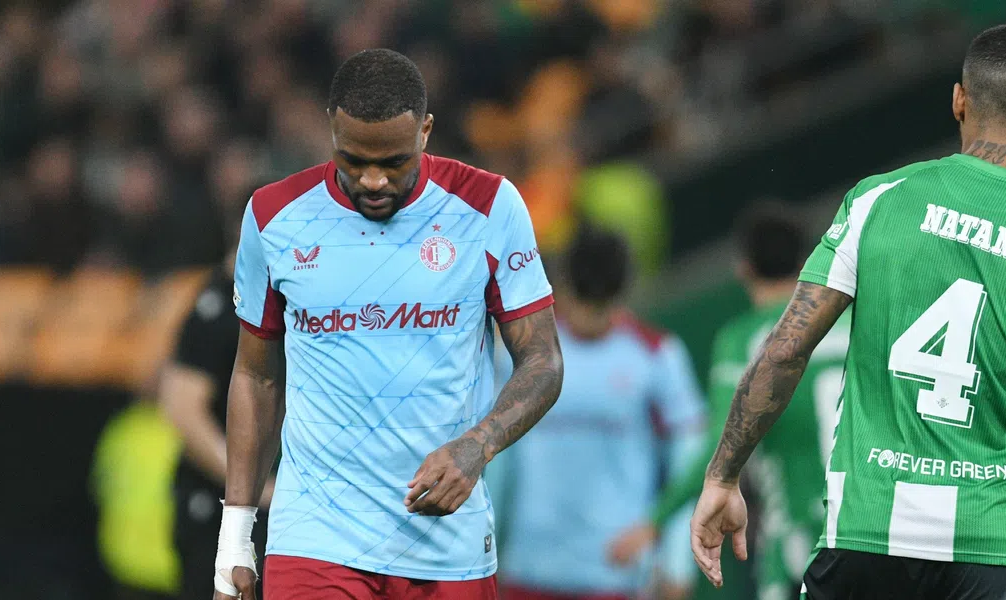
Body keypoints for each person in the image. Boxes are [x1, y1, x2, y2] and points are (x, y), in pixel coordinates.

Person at [689, 23, 1006, 600]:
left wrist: (723, 475)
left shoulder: (877, 201)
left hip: (863, 540)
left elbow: (785, 349)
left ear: (958, 100)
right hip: (990, 552)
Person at [212, 49, 564, 600]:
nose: (373, 180)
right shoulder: (273, 217)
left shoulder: (489, 206)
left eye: (394, 163)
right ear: (331, 129)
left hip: (447, 547)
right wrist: (235, 538)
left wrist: (478, 445)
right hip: (315, 539)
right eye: (353, 160)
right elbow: (256, 376)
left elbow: (543, 360)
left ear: (425, 131)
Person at [609, 205, 850, 600]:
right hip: (871, 527)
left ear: (744, 269)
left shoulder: (743, 341)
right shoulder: (850, 320)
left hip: (797, 543)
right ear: (806, 261)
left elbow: (720, 441)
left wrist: (655, 521)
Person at [491, 227, 705, 600]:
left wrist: (676, 562)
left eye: (601, 306)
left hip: (616, 574)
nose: (590, 317)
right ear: (561, 288)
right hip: (529, 569)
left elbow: (688, 462)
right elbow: (493, 458)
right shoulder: (522, 354)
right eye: (583, 303)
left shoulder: (658, 356)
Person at [159, 217, 274, 600]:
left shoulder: (290, 299)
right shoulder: (219, 304)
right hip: (221, 505)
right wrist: (252, 488)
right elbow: (182, 407)